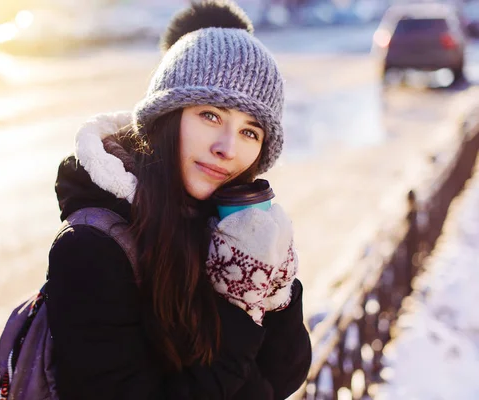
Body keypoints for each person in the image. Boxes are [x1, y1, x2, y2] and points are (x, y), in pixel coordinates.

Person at [45, 1, 312, 399]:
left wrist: (272, 284)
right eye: (211, 115)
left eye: (250, 132)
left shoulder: (230, 229)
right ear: (167, 116)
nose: (228, 148)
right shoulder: (92, 251)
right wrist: (239, 311)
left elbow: (285, 375)